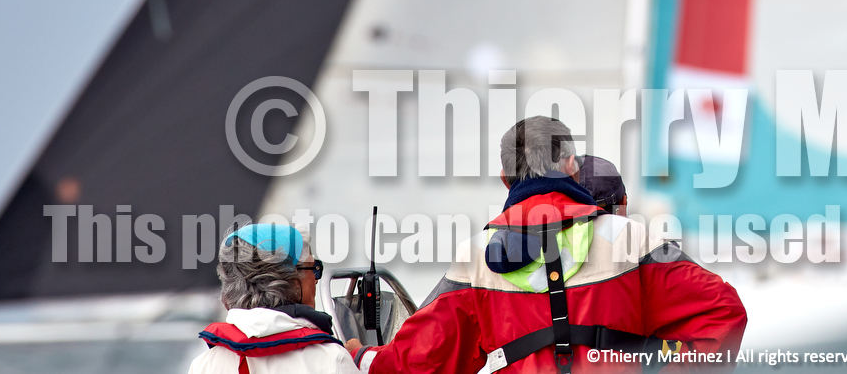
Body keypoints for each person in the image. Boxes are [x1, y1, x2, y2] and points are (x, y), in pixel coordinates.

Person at [349, 116, 747, 373]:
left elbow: (420, 362)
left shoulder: (474, 258)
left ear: (505, 178)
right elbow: (723, 316)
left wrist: (359, 356)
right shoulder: (635, 240)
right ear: (572, 164)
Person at [191, 222, 358, 373]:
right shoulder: (332, 360)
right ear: (291, 280)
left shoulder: (204, 365)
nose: (315, 279)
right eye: (313, 268)